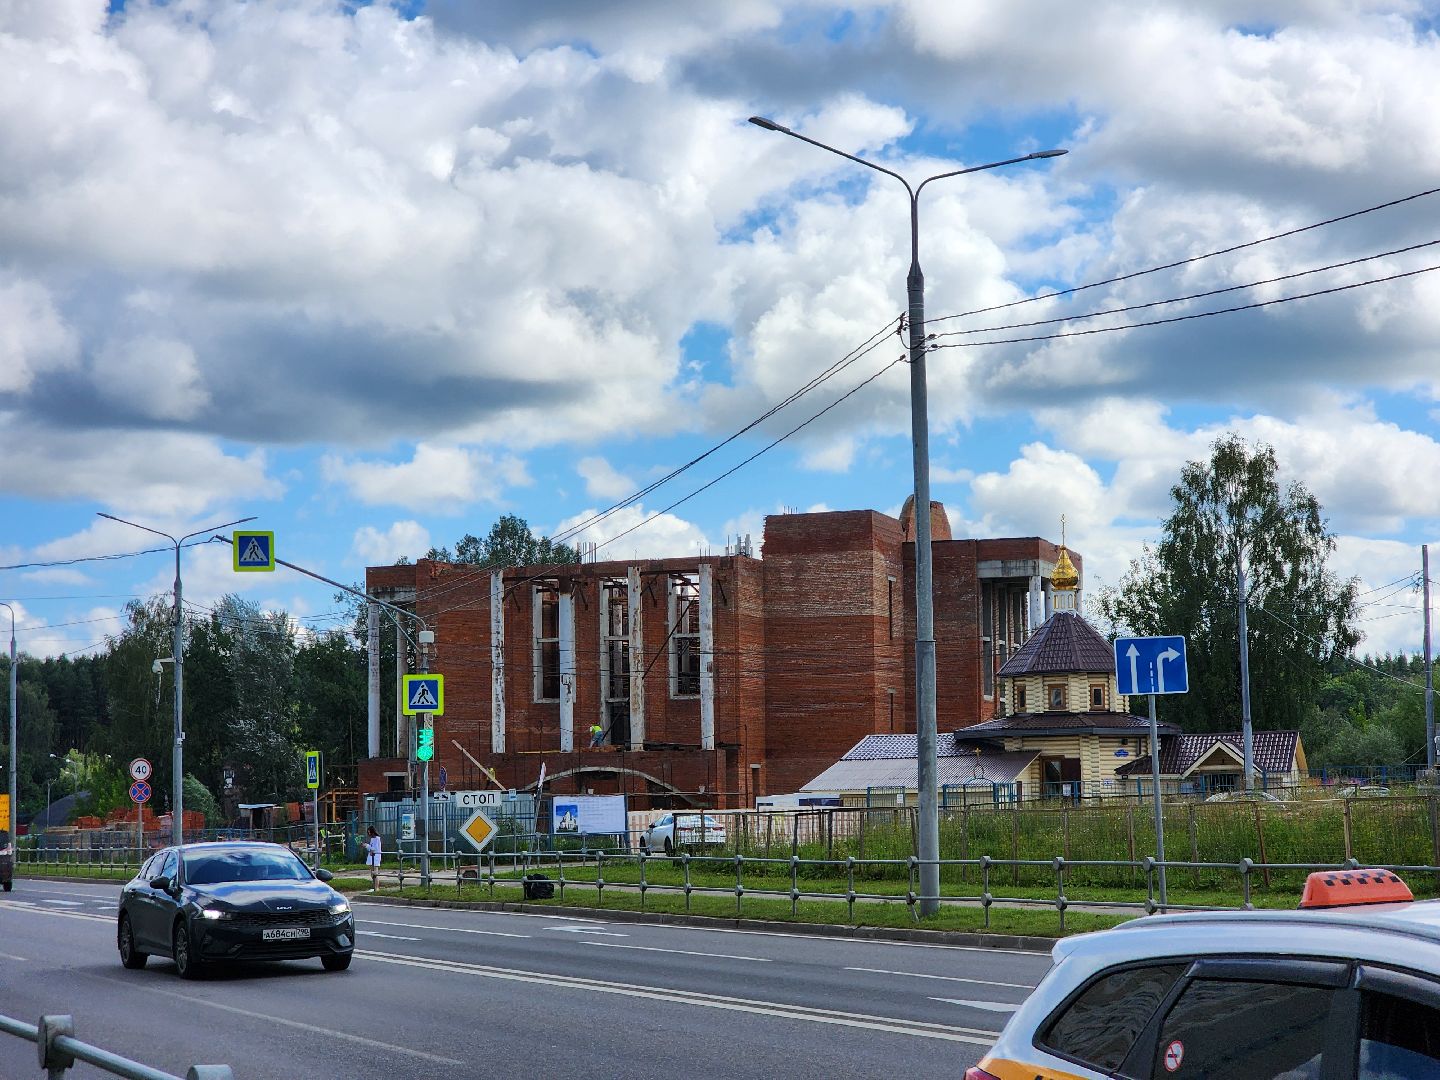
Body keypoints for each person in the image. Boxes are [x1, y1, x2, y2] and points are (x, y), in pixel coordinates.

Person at [364, 826, 382, 891]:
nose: (369, 834)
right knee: (372, 873)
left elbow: (375, 849)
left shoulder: (377, 839)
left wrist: (367, 846)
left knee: (375, 873)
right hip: (371, 857)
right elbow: (371, 848)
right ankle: (374, 887)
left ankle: (377, 888)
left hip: (376, 857)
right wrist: (367, 846)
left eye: (369, 832)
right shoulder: (372, 839)